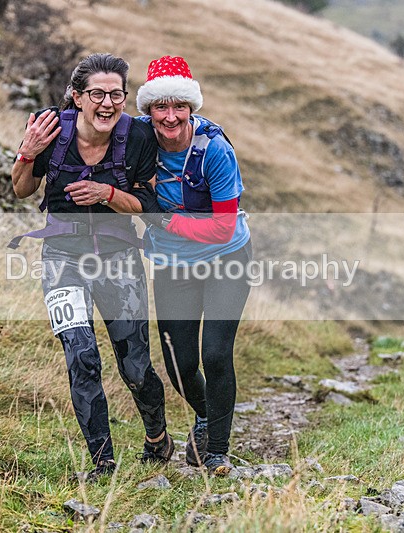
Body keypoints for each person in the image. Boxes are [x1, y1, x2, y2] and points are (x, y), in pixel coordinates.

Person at [10, 53, 173, 483]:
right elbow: (23, 190)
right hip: (62, 260)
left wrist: (106, 193)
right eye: (97, 94)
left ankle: (157, 436)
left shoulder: (137, 137)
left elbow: (151, 208)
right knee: (81, 356)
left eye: (116, 94)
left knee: (135, 366)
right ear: (78, 97)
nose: (107, 103)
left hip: (119, 260)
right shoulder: (52, 130)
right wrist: (26, 154)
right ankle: (103, 463)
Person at [136, 55, 252, 476]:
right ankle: (205, 416)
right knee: (180, 364)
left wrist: (167, 220)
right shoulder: (137, 142)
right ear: (148, 109)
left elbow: (222, 228)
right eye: (160, 107)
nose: (170, 116)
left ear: (191, 108)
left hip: (226, 259)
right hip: (172, 264)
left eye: (178, 106)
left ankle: (217, 450)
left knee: (216, 354)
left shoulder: (214, 150)